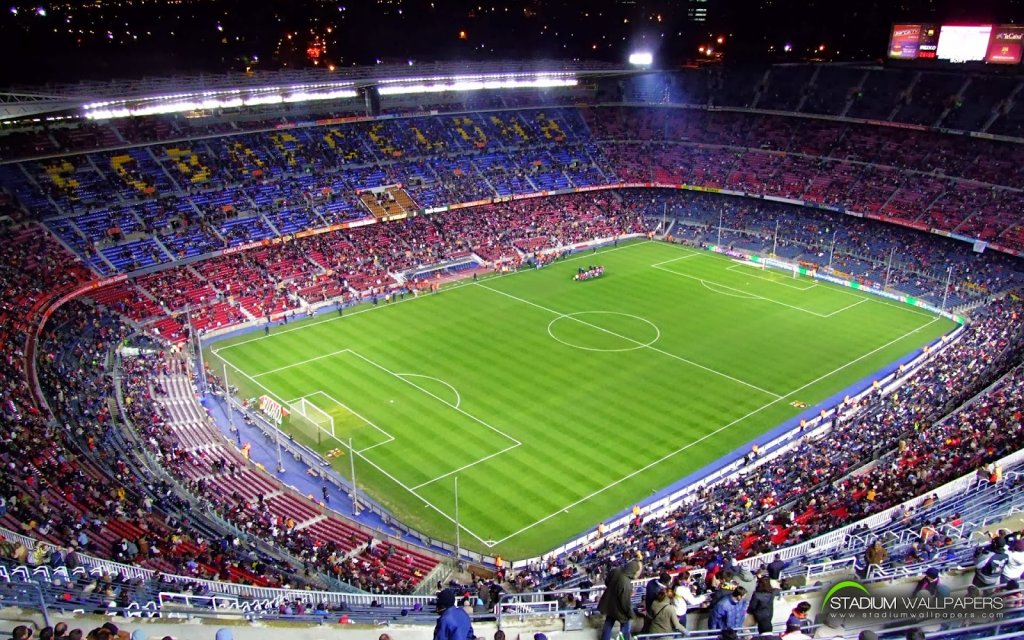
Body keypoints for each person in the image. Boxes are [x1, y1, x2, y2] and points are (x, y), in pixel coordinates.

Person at [597, 558, 642, 640]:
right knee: (625, 624)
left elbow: (607, 582)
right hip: (619, 609)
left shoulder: (616, 570)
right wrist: (631, 614)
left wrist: (613, 589)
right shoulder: (625, 582)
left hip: (609, 604)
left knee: (609, 622)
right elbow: (625, 603)